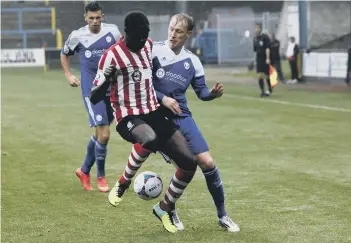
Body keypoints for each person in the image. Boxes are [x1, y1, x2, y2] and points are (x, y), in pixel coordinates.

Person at [107, 13, 239, 233]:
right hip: (156, 111)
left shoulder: (193, 61)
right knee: (177, 159)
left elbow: (201, 92)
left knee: (207, 162)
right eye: (171, 29)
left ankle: (222, 215)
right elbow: (141, 83)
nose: (173, 34)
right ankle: (162, 204)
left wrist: (212, 94)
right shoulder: (154, 50)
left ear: (188, 34)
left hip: (182, 115)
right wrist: (162, 98)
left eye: (179, 31)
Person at [90, 11, 198, 234]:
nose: (142, 42)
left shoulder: (148, 45)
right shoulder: (112, 56)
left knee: (189, 163)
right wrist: (106, 82)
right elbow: (94, 96)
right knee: (149, 138)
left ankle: (164, 207)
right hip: (128, 117)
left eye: (144, 37)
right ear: (126, 34)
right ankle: (124, 183)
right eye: (138, 38)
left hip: (153, 112)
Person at [60, 1, 121, 192]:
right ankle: (101, 177)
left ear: (103, 16)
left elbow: (122, 52)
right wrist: (68, 75)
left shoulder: (114, 32)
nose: (95, 21)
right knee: (105, 134)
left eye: (98, 17)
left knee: (99, 135)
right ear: (85, 17)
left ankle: (84, 171)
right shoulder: (77, 36)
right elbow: (64, 54)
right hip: (91, 92)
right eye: (91, 18)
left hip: (111, 90)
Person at [253, 23, 271, 97]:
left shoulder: (265, 37)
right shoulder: (254, 39)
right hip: (259, 59)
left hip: (265, 58)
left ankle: (269, 88)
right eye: (256, 28)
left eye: (258, 28)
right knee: (260, 75)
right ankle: (262, 91)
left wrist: (267, 58)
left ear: (261, 29)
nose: (257, 29)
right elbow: (255, 50)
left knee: (266, 75)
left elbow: (267, 48)